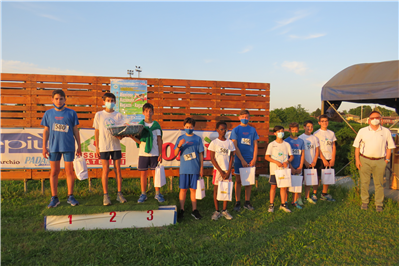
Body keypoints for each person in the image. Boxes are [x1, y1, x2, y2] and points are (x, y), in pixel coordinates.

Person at [41, 89, 81, 208]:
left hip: (68, 147)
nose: (59, 101)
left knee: (69, 172)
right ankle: (54, 198)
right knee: (54, 172)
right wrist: (44, 147)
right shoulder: (48, 113)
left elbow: (75, 130)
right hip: (54, 148)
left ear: (65, 99)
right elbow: (46, 131)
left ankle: (70, 196)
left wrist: (79, 146)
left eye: (61, 98)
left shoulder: (72, 113)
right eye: (56, 98)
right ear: (52, 99)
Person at [353, 111, 395, 212]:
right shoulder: (362, 131)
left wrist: (386, 160)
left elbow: (390, 147)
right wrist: (357, 160)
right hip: (364, 160)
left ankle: (379, 204)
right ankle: (364, 202)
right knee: (364, 182)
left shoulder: (386, 131)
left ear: (381, 119)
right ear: (369, 120)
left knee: (379, 183)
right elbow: (357, 146)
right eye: (372, 118)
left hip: (380, 160)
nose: (375, 119)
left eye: (377, 117)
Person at [93, 92, 127, 206]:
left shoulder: (118, 115)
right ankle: (105, 195)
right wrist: (97, 147)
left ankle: (119, 194)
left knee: (118, 169)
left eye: (112, 101)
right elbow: (96, 131)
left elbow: (123, 131)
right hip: (104, 146)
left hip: (116, 146)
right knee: (106, 170)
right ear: (103, 101)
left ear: (115, 102)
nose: (110, 102)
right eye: (108, 100)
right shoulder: (99, 115)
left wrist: (121, 136)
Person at [129, 103, 165, 203]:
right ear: (143, 113)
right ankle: (143, 194)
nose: (148, 113)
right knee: (143, 174)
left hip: (154, 154)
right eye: (146, 111)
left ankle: (157, 194)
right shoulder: (140, 126)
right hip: (143, 153)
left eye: (150, 111)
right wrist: (132, 137)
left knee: (155, 174)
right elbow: (140, 141)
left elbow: (159, 140)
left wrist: (160, 154)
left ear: (153, 112)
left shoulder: (156, 125)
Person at [174, 117, 204, 220]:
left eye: (190, 127)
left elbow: (200, 154)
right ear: (184, 127)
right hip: (184, 169)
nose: (188, 128)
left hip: (195, 168)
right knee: (183, 190)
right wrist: (179, 145)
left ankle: (194, 210)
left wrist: (201, 168)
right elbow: (174, 153)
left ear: (194, 127)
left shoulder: (198, 139)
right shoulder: (180, 138)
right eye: (186, 127)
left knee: (193, 190)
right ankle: (181, 210)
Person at [231, 110, 259, 212]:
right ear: (239, 117)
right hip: (239, 159)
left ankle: (247, 202)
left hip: (250, 159)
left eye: (246, 117)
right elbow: (235, 145)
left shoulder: (252, 130)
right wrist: (241, 159)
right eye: (243, 116)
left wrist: (254, 158)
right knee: (238, 181)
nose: (245, 118)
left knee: (249, 181)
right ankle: (237, 202)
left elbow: (255, 145)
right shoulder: (236, 130)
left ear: (249, 118)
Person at [208, 121, 235, 220]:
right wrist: (221, 171)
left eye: (225, 129)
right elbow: (212, 158)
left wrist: (228, 171)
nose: (223, 131)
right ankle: (217, 211)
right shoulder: (214, 143)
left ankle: (224, 210)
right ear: (217, 130)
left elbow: (232, 157)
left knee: (226, 189)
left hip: (227, 170)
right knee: (216, 189)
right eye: (221, 129)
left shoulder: (230, 142)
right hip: (218, 171)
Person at [265, 126, 294, 213]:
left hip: (284, 170)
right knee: (273, 187)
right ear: (275, 133)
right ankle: (271, 204)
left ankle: (283, 204)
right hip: (274, 170)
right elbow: (267, 157)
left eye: (282, 131)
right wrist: (276, 162)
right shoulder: (271, 144)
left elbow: (291, 156)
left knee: (284, 187)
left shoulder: (287, 144)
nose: (280, 133)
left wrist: (287, 161)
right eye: (278, 131)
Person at [314, 114, 337, 202]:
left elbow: (333, 146)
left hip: (329, 158)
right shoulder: (316, 133)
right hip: (320, 158)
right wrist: (323, 159)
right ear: (319, 122)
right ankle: (314, 194)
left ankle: (324, 194)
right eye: (322, 121)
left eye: (326, 121)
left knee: (327, 176)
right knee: (318, 177)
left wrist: (333, 158)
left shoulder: (331, 133)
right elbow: (317, 147)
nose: (324, 123)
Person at [299, 120, 320, 204]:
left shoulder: (314, 138)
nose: (310, 128)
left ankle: (307, 197)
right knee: (301, 180)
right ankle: (299, 198)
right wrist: (305, 162)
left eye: (311, 127)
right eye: (308, 126)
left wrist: (314, 161)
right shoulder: (301, 138)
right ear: (304, 127)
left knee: (308, 181)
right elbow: (300, 151)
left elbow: (317, 150)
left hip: (312, 163)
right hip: (303, 162)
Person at [285, 122, 305, 209]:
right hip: (289, 167)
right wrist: (291, 167)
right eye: (292, 130)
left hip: (298, 166)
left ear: (298, 130)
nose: (294, 131)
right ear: (289, 130)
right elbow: (286, 156)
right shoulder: (286, 141)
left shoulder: (301, 141)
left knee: (296, 185)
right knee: (287, 185)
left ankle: (295, 201)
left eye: (296, 130)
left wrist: (300, 166)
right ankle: (285, 201)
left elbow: (303, 154)